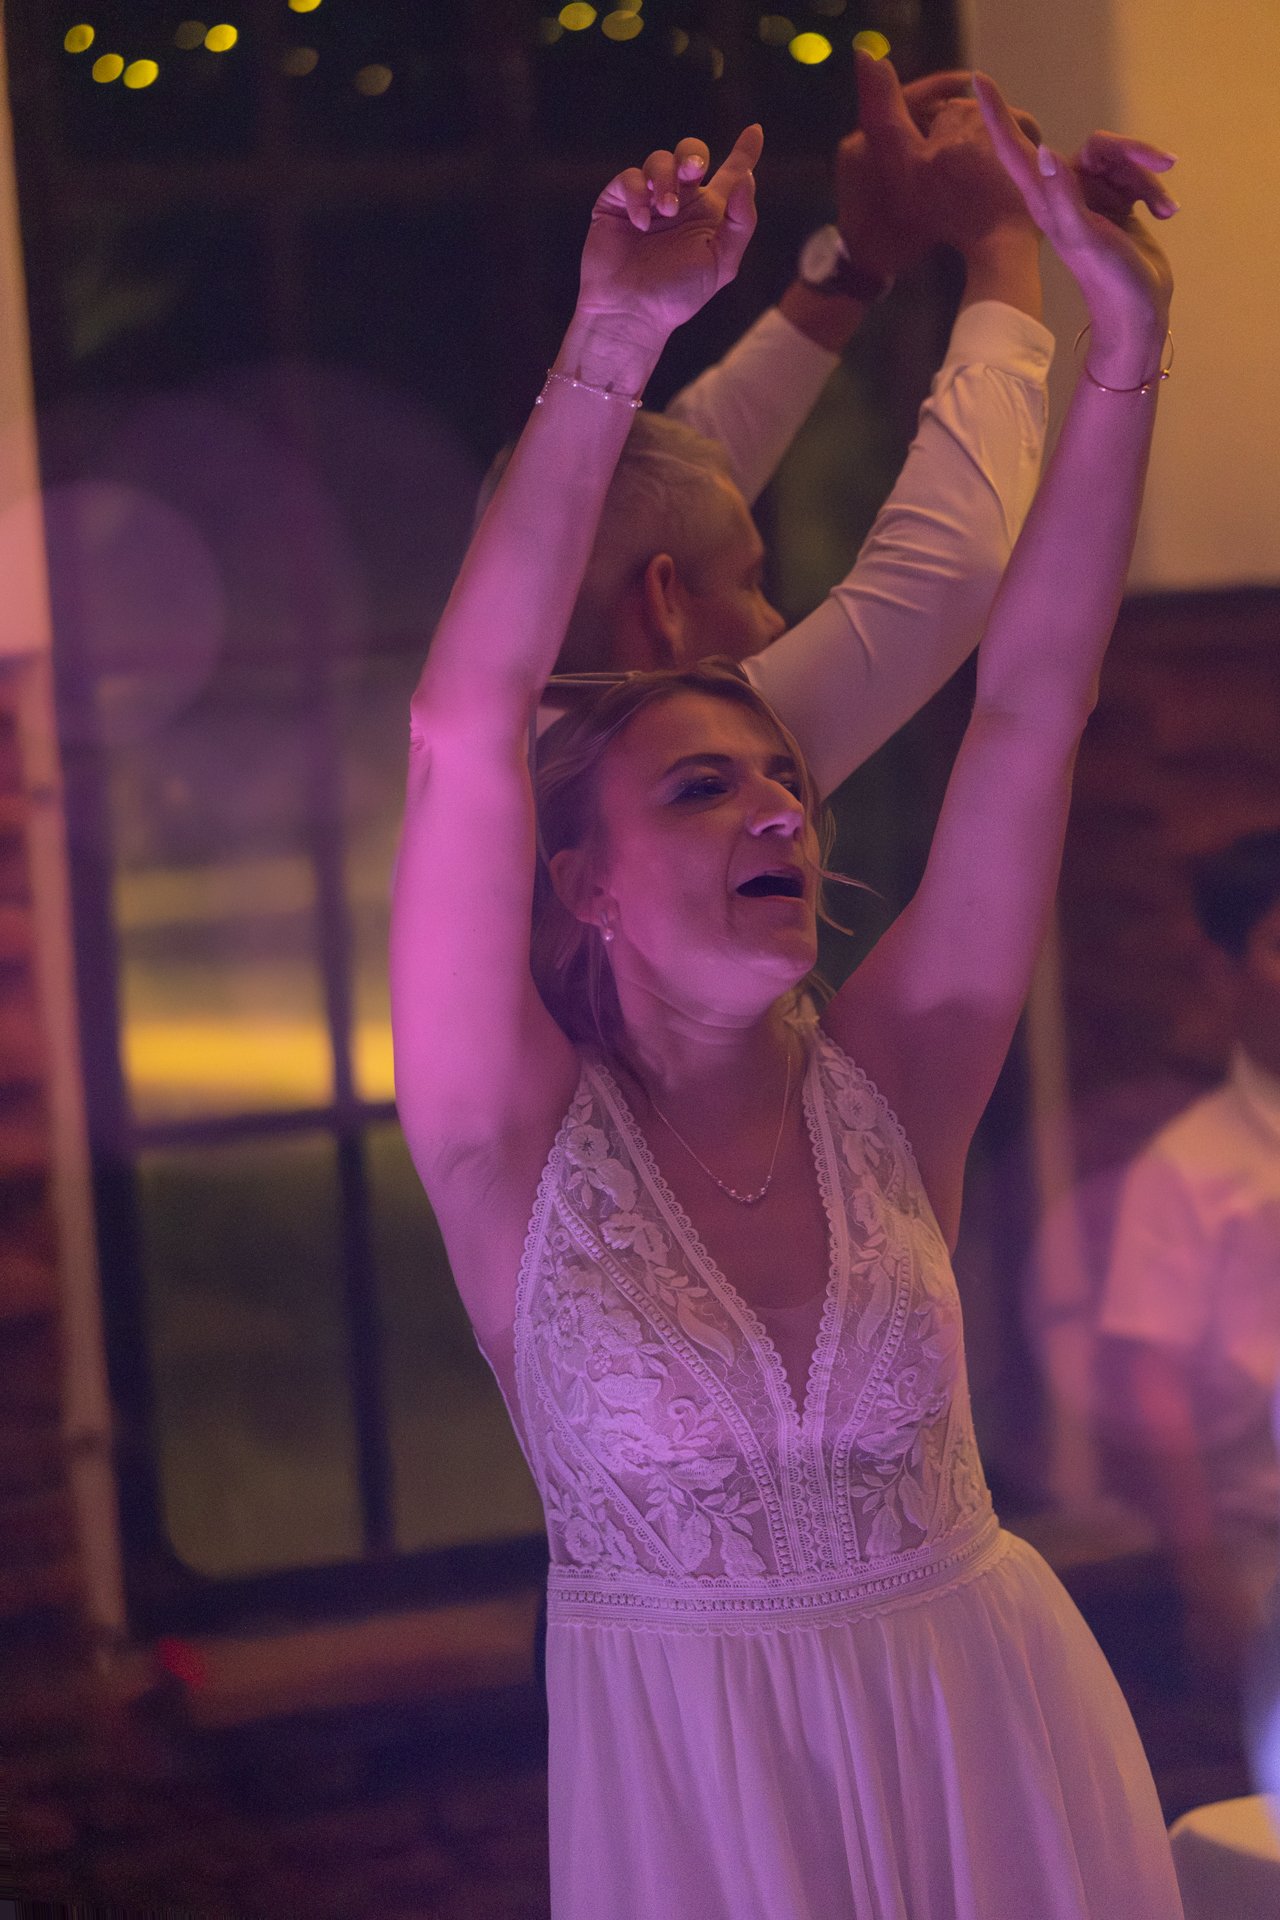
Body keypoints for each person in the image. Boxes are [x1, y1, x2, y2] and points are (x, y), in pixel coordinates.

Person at [392, 72, 1182, 1920]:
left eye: (783, 785)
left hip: (997, 1756)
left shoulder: (902, 1074)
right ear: (579, 881)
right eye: (702, 787)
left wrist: (1128, 343)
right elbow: (463, 734)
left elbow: (1032, 703)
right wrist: (615, 330)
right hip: (703, 1809)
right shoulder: (507, 1140)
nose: (776, 807)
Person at [1098, 828, 1280, 1688]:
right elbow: (1152, 1381)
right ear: (1222, 969)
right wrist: (1203, 1574)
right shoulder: (1187, 1166)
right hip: (1265, 1550)